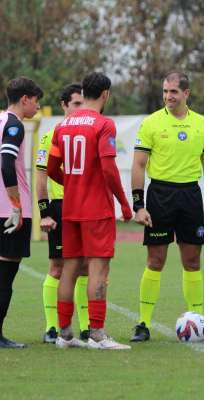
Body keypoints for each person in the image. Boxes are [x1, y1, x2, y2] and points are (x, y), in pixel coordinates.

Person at [130, 71, 204, 342]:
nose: (168, 96)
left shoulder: (201, 124)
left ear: (186, 93)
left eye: (173, 92)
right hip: (159, 195)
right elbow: (138, 165)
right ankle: (142, 324)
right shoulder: (151, 123)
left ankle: (200, 322)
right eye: (165, 91)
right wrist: (139, 204)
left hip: (190, 196)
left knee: (192, 261)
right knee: (155, 260)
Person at [47, 72, 132, 350]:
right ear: (105, 94)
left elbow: (51, 169)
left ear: (83, 92)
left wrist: (72, 183)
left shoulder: (63, 125)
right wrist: (123, 201)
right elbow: (108, 168)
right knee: (98, 268)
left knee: (69, 267)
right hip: (96, 208)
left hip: (70, 207)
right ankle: (97, 334)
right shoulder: (104, 124)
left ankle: (65, 334)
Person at [36, 83, 90, 343]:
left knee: (86, 268)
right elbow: (41, 176)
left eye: (83, 103)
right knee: (58, 267)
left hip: (86, 207)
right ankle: (52, 327)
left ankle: (86, 326)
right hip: (60, 207)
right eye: (76, 104)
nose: (80, 108)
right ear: (64, 106)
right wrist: (45, 211)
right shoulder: (51, 135)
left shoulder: (91, 132)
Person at [0, 77, 43, 348]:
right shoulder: (15, 125)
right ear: (25, 99)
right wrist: (16, 206)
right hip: (10, 212)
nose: (38, 106)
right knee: (5, 277)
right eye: (36, 100)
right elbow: (6, 164)